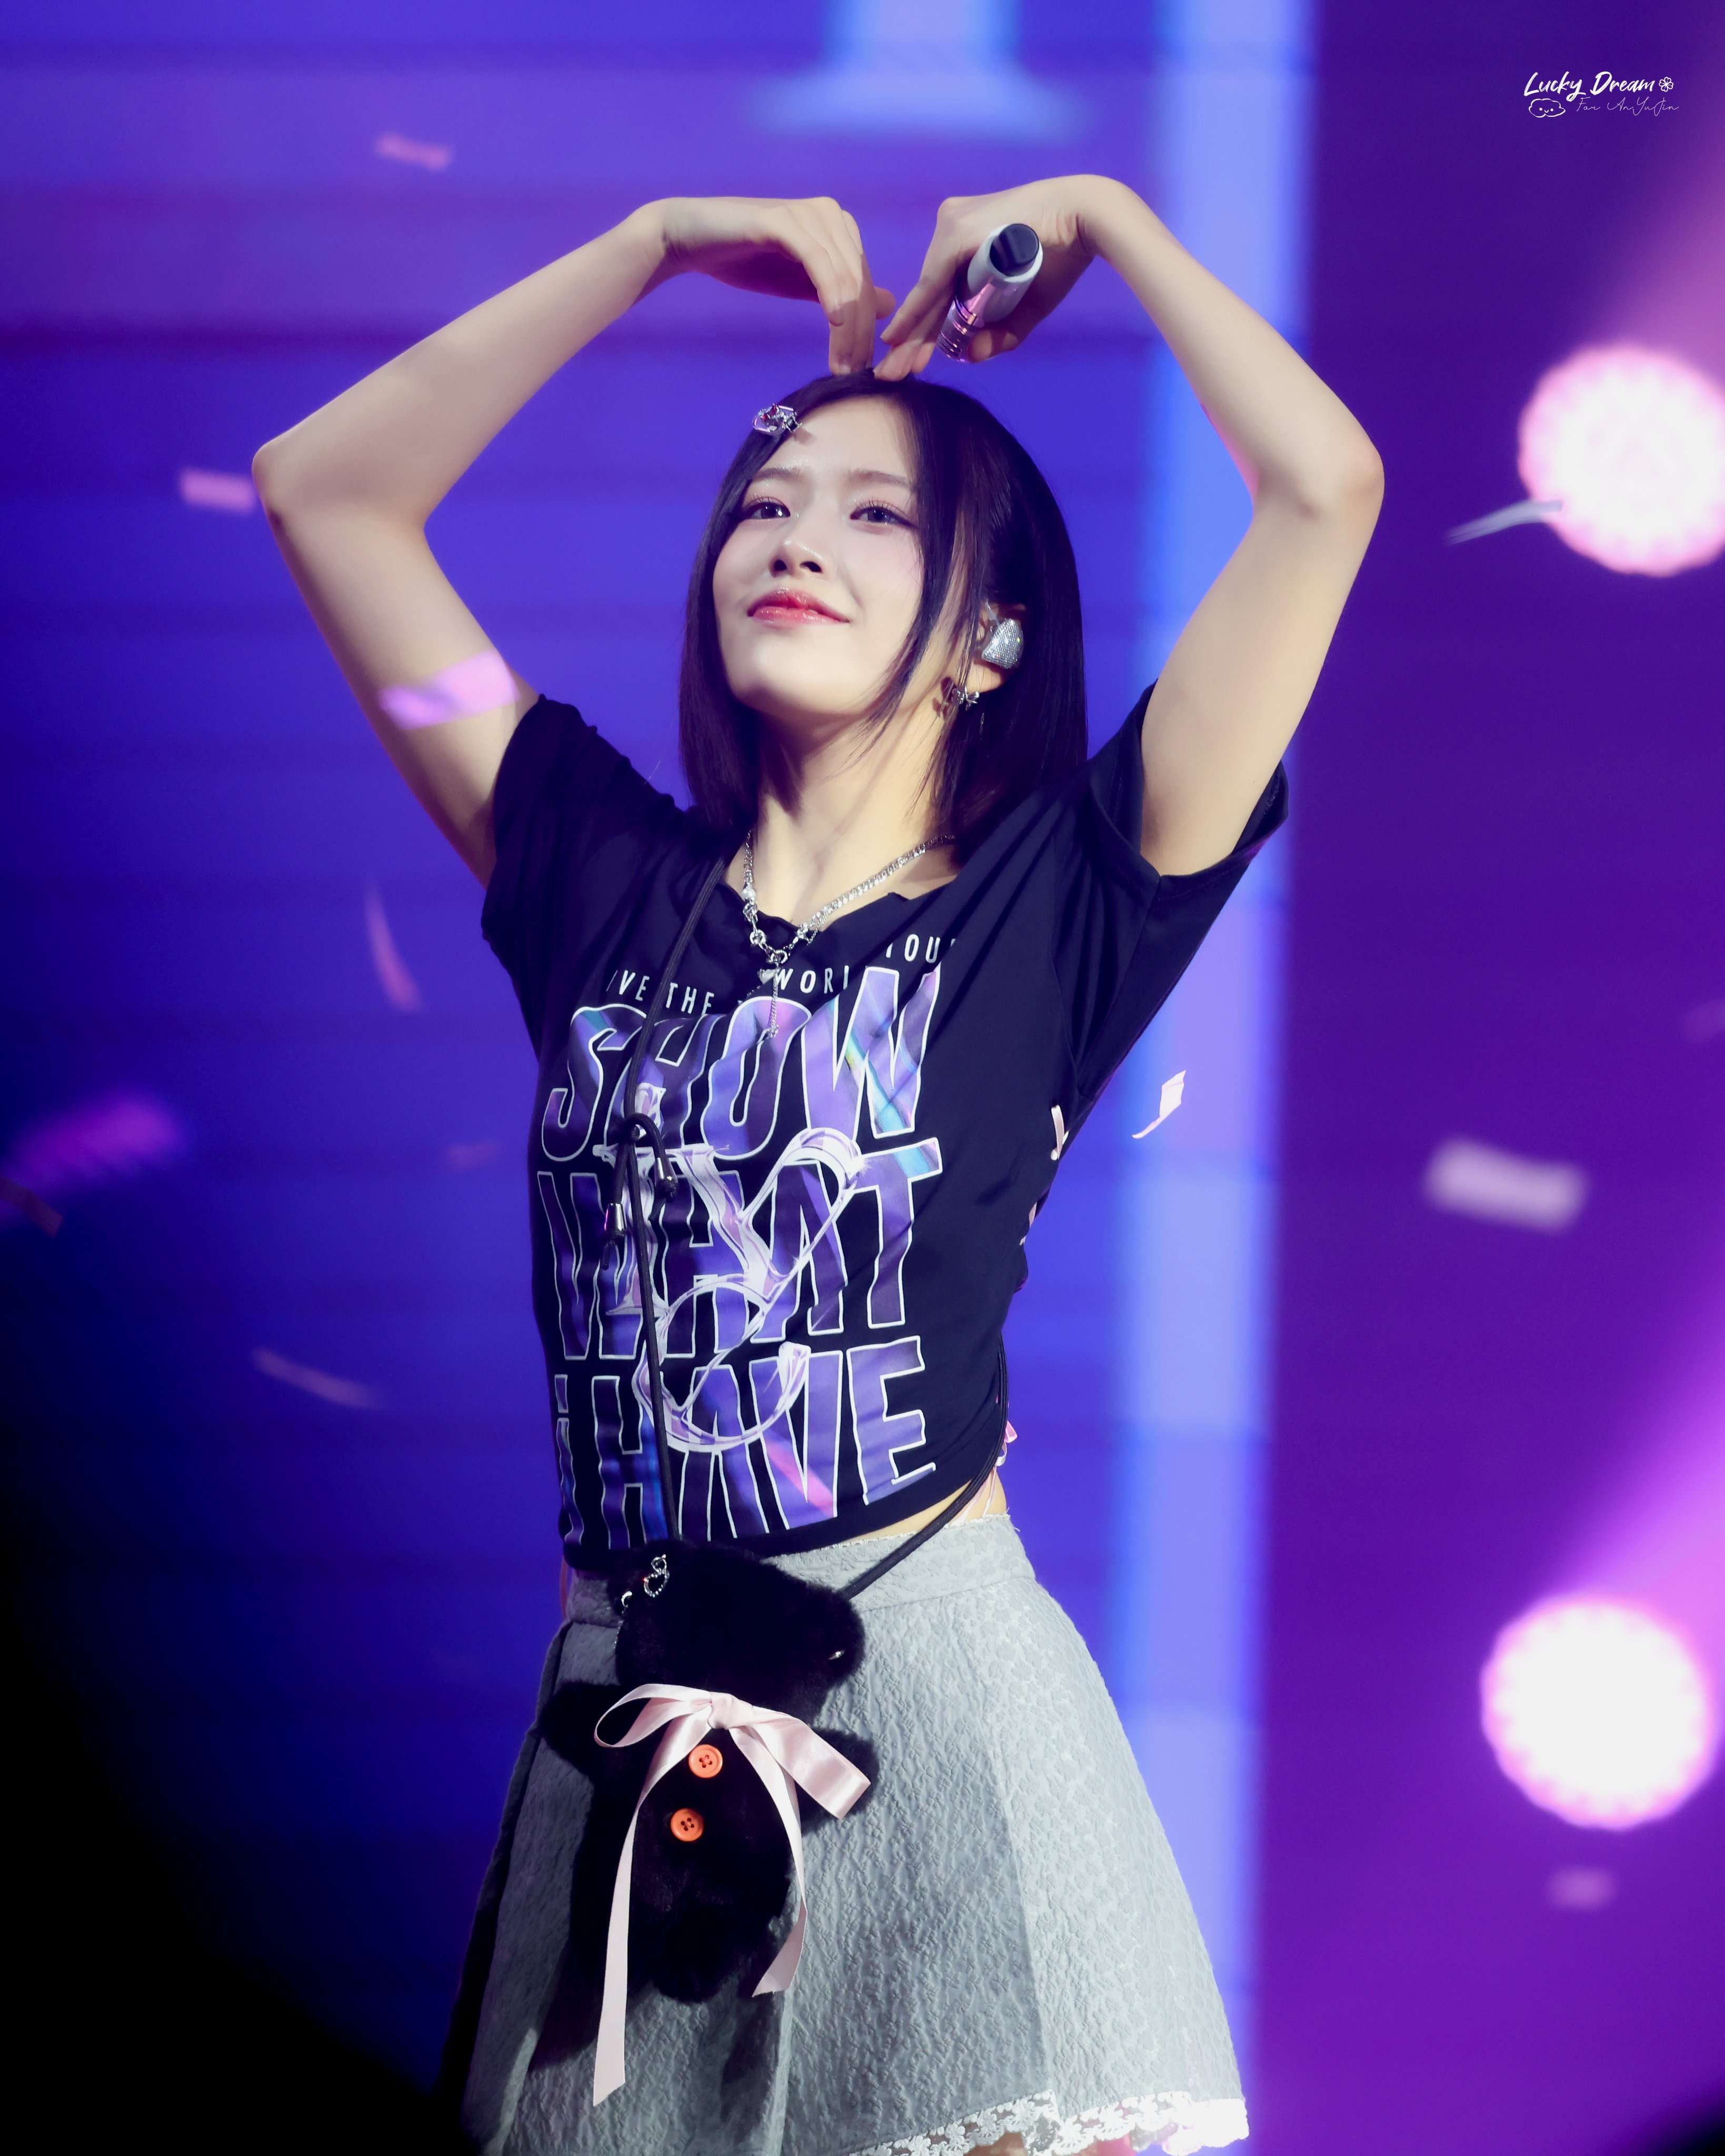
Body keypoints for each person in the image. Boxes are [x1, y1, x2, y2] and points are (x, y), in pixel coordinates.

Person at [253, 178, 1381, 2156]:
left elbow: (1325, 488)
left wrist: (1108, 222)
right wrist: (646, 248)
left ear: (989, 630)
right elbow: (327, 492)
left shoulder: (1070, 890)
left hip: (931, 1694)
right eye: (766, 502)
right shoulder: (593, 871)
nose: (794, 536)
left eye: (879, 517)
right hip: (629, 1718)